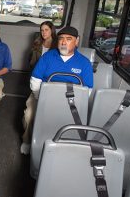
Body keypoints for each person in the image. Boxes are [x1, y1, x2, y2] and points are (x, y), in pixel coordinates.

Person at [20, 26, 94, 155]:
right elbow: (35, 80)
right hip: (43, 95)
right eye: (61, 39)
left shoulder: (84, 63)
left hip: (71, 101)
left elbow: (88, 90)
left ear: (76, 41)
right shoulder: (47, 57)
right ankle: (28, 140)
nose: (64, 42)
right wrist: (40, 99)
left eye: (69, 39)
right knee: (29, 116)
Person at [20, 21, 57, 154]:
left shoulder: (58, 46)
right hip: (37, 80)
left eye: (46, 30)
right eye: (42, 30)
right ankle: (27, 140)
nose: (44, 33)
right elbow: (31, 64)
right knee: (28, 116)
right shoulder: (37, 44)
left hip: (52, 84)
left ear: (52, 30)